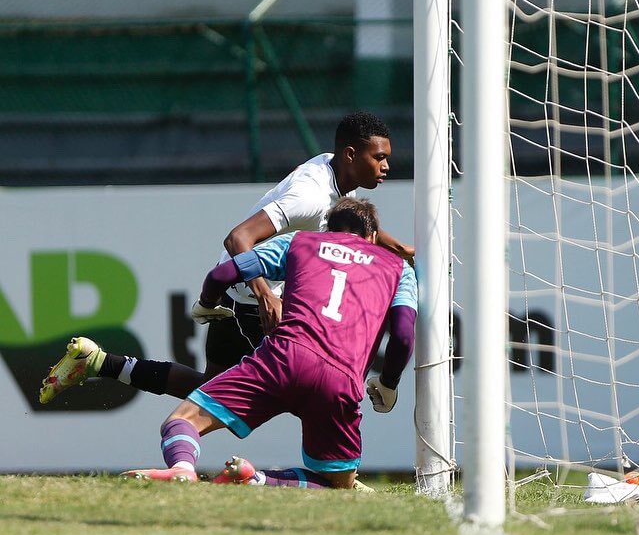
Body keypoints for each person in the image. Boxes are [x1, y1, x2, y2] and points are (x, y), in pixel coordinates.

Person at [39, 111, 414, 404]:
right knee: (316, 384)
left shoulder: (334, 169)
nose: (386, 166)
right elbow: (239, 237)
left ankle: (98, 362)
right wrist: (266, 294)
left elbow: (349, 222)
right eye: (379, 158)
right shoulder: (310, 197)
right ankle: (339, 474)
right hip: (255, 296)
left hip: (237, 289)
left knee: (209, 388)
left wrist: (402, 250)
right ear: (352, 154)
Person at [121, 198, 416, 488]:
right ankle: (256, 480)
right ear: (373, 237)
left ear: (328, 230)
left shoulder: (301, 242)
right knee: (338, 483)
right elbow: (403, 334)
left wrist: (207, 302)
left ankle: (182, 468)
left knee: (182, 420)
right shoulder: (398, 268)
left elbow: (224, 272)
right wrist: (388, 383)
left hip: (282, 358)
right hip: (340, 379)